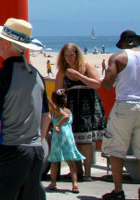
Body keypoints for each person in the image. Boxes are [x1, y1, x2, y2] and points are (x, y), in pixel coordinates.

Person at [0, 18, 51, 200]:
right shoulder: (36, 75)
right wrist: (37, 141)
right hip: (34, 151)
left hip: (10, 149)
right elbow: (46, 116)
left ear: (7, 43)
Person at [101, 30, 140, 200]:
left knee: (117, 149)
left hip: (124, 105)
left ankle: (118, 191)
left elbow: (107, 83)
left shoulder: (118, 58)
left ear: (123, 43)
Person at [54, 42, 106, 180]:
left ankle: (87, 172)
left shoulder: (87, 66)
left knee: (86, 140)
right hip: (71, 106)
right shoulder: (63, 71)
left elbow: (97, 83)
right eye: (66, 56)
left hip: (88, 104)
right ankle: (78, 171)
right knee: (74, 139)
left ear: (77, 54)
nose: (69, 58)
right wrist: (59, 107)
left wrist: (79, 75)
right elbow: (57, 91)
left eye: (71, 55)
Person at [46, 89, 84, 193]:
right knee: (71, 162)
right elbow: (65, 114)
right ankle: (75, 184)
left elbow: (65, 117)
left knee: (54, 161)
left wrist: (57, 125)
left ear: (54, 100)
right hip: (68, 138)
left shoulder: (57, 110)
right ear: (65, 100)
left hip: (58, 138)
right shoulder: (68, 111)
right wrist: (48, 99)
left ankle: (53, 183)